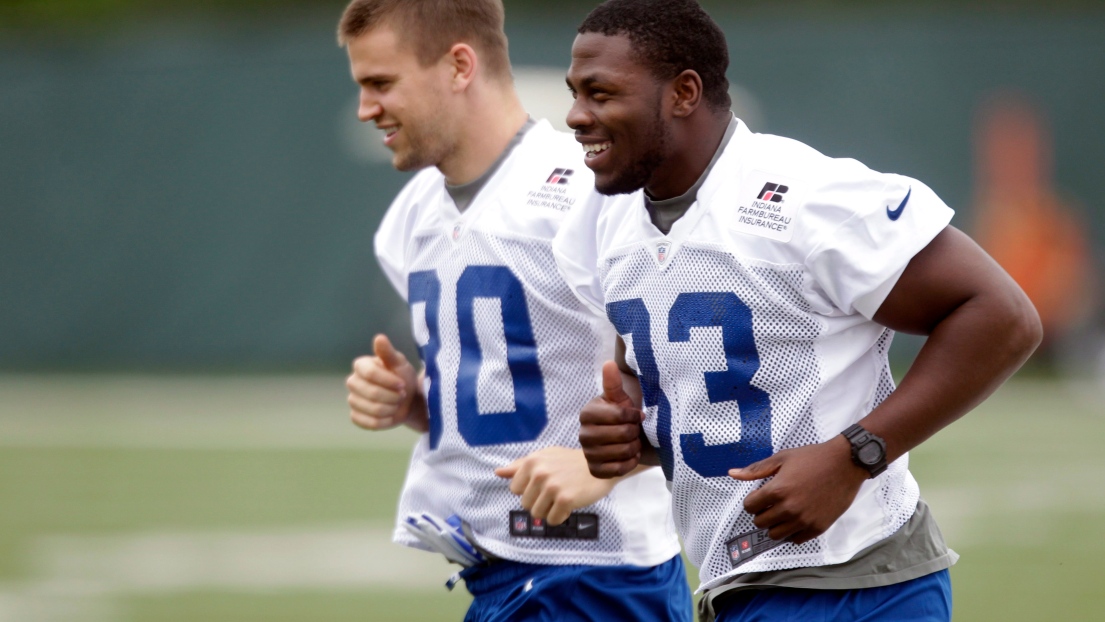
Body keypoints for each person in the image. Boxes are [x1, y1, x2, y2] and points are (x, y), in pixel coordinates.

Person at [553, 1, 1042, 620]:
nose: (575, 116)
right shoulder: (603, 222)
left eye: (599, 93)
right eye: (575, 93)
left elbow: (1002, 315)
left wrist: (856, 454)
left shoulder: (803, 197)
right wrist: (632, 434)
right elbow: (675, 387)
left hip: (858, 583)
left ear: (682, 92)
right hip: (739, 585)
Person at [337, 1, 691, 620]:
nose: (367, 108)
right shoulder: (412, 214)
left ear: (459, 65)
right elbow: (512, 385)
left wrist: (603, 467)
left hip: (596, 574)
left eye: (381, 83)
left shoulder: (586, 194)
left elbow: (700, 374)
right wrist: (418, 400)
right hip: (500, 573)